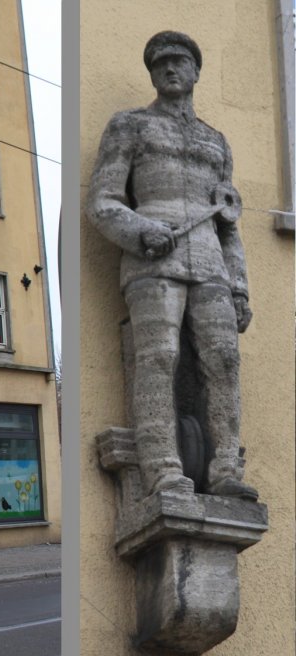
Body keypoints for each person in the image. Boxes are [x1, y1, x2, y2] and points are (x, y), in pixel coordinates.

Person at [86, 30, 257, 501]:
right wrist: (140, 230)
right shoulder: (130, 126)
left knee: (224, 360)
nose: (170, 69)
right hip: (152, 259)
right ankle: (162, 468)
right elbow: (102, 201)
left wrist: (239, 286)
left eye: (179, 61)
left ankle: (226, 467)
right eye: (160, 63)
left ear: (196, 71)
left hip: (209, 261)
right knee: (158, 358)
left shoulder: (215, 142)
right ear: (152, 73)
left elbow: (229, 220)